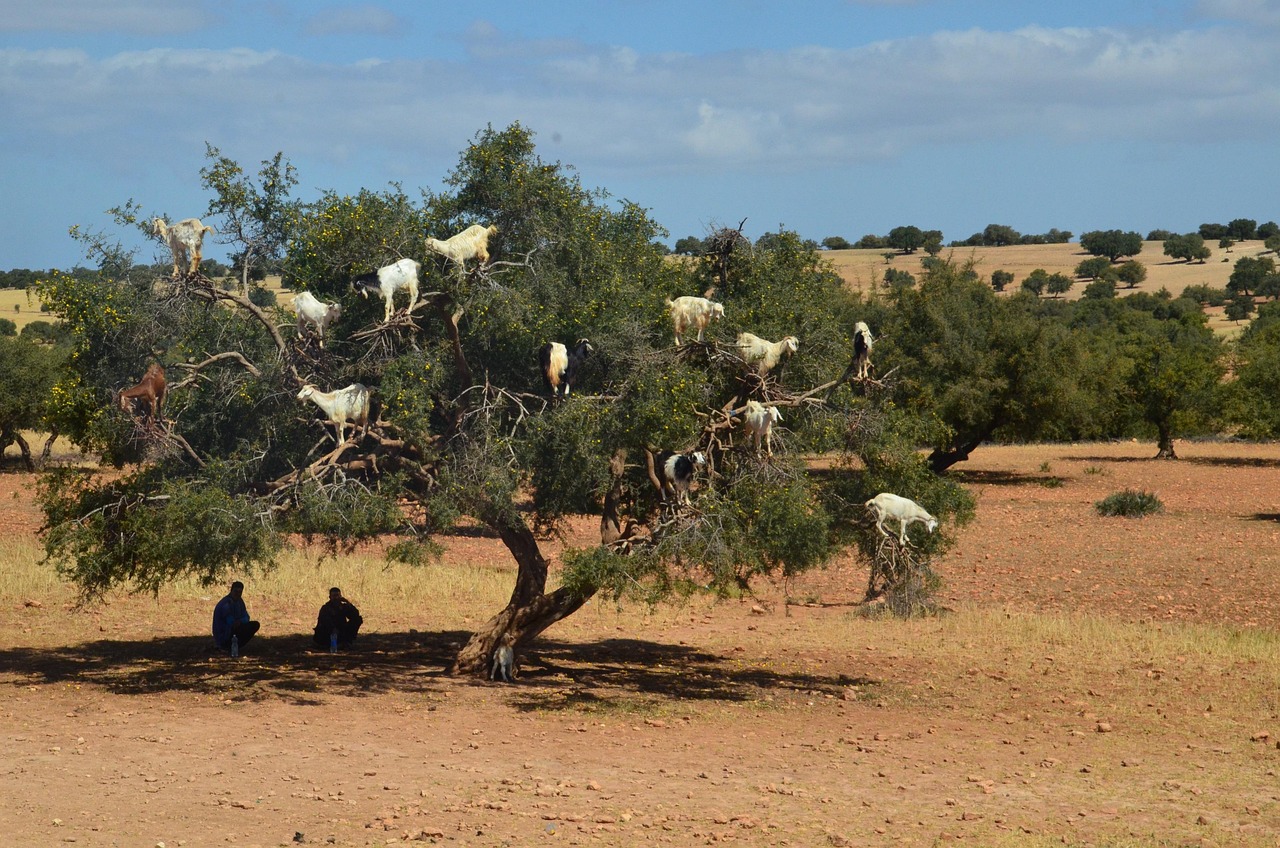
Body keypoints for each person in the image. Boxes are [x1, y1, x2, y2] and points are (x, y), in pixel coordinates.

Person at [212, 580, 260, 653]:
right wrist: (238, 622)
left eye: (240, 592)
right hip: (224, 633)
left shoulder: (240, 601)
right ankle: (226, 646)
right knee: (237, 628)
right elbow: (230, 622)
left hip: (235, 628)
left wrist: (240, 621)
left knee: (254, 625)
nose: (237, 594)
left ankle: (236, 646)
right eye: (235, 591)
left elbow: (246, 617)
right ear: (231, 591)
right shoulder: (226, 604)